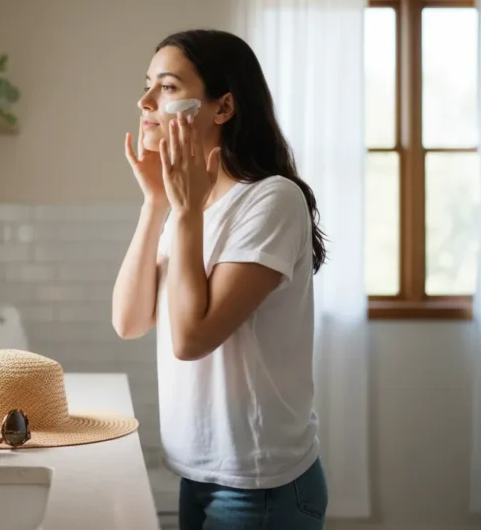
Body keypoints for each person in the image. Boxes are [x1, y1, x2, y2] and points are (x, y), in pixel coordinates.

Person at [111, 29, 329, 529]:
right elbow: (128, 321)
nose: (144, 101)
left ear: (223, 107)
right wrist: (156, 204)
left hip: (259, 489)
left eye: (166, 87)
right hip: (198, 475)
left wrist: (184, 211)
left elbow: (190, 339)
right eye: (148, 85)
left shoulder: (273, 200)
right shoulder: (191, 203)